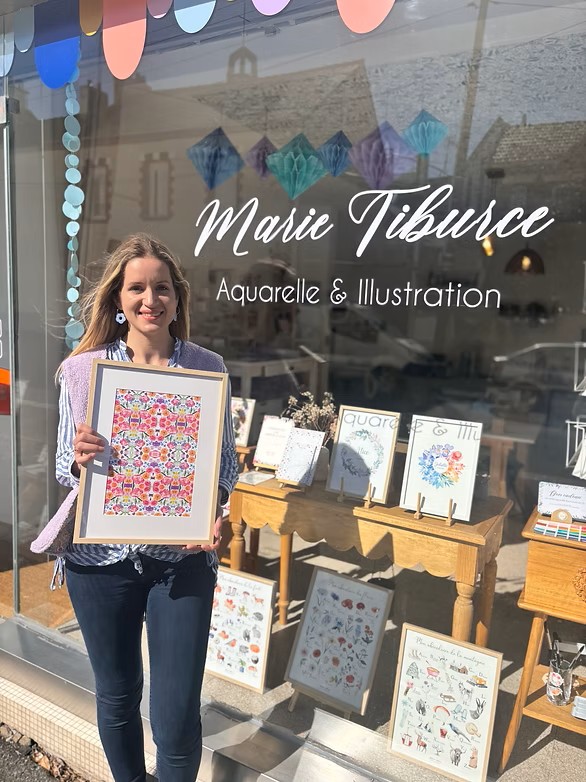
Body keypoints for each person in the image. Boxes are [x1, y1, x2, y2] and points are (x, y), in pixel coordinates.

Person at [50, 233, 238, 782]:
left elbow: (224, 461)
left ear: (178, 299)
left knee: (176, 718)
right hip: (98, 561)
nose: (149, 299)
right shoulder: (83, 371)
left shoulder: (207, 367)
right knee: (117, 695)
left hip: (181, 559)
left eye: (162, 288)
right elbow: (63, 465)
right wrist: (80, 458)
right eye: (136, 288)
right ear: (118, 298)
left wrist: (213, 508)